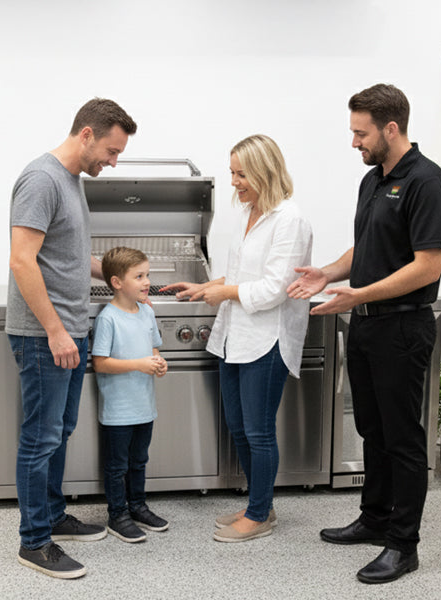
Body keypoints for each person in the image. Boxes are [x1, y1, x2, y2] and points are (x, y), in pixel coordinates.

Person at [287, 83, 441, 584]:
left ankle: (404, 545)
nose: (354, 143)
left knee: (403, 438)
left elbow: (427, 267)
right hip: (364, 326)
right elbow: (365, 247)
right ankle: (375, 518)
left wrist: (360, 295)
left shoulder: (427, 183)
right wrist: (329, 274)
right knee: (372, 430)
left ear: (391, 128)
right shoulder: (375, 180)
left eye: (361, 133)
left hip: (403, 325)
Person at [6, 98, 137, 579]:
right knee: (39, 440)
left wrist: (127, 278)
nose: (113, 160)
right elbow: (23, 260)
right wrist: (57, 331)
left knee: (58, 433)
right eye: (111, 149)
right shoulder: (42, 180)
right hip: (45, 336)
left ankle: (53, 515)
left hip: (68, 331)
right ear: (86, 134)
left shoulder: (71, 181)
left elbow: (72, 257)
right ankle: (34, 541)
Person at [161, 134, 312, 543]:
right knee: (239, 427)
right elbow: (246, 277)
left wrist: (223, 293)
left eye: (241, 173)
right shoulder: (249, 214)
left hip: (267, 339)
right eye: (232, 172)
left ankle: (260, 513)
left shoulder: (289, 220)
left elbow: (274, 289)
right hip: (235, 337)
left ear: (265, 170)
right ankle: (258, 504)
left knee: (259, 430)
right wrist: (202, 287)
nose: (234, 182)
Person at [91, 246, 170, 543]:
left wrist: (159, 363)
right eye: (139, 276)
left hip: (144, 406)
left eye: (147, 275)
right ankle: (117, 514)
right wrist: (139, 364)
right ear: (116, 282)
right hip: (118, 411)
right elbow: (100, 363)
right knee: (116, 466)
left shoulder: (147, 311)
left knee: (139, 460)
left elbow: (153, 349)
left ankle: (137, 506)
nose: (147, 281)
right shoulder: (108, 318)